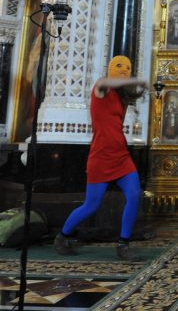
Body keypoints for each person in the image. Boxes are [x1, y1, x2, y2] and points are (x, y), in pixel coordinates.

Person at [54, 56, 148, 261]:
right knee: (91, 205)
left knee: (134, 195)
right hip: (100, 156)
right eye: (120, 67)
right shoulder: (101, 88)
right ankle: (62, 236)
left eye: (128, 69)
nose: (124, 71)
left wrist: (142, 87)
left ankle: (123, 244)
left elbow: (134, 92)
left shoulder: (121, 96)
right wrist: (134, 80)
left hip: (121, 155)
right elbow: (105, 82)